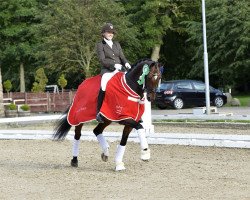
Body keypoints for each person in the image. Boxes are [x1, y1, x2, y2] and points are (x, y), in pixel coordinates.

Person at [96, 22, 131, 123]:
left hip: (120, 69)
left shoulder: (117, 44)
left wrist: (127, 63)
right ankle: (99, 112)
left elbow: (122, 57)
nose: (110, 34)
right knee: (104, 85)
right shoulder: (100, 45)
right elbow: (102, 60)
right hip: (107, 70)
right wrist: (113, 65)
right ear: (103, 33)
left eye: (112, 32)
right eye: (108, 32)